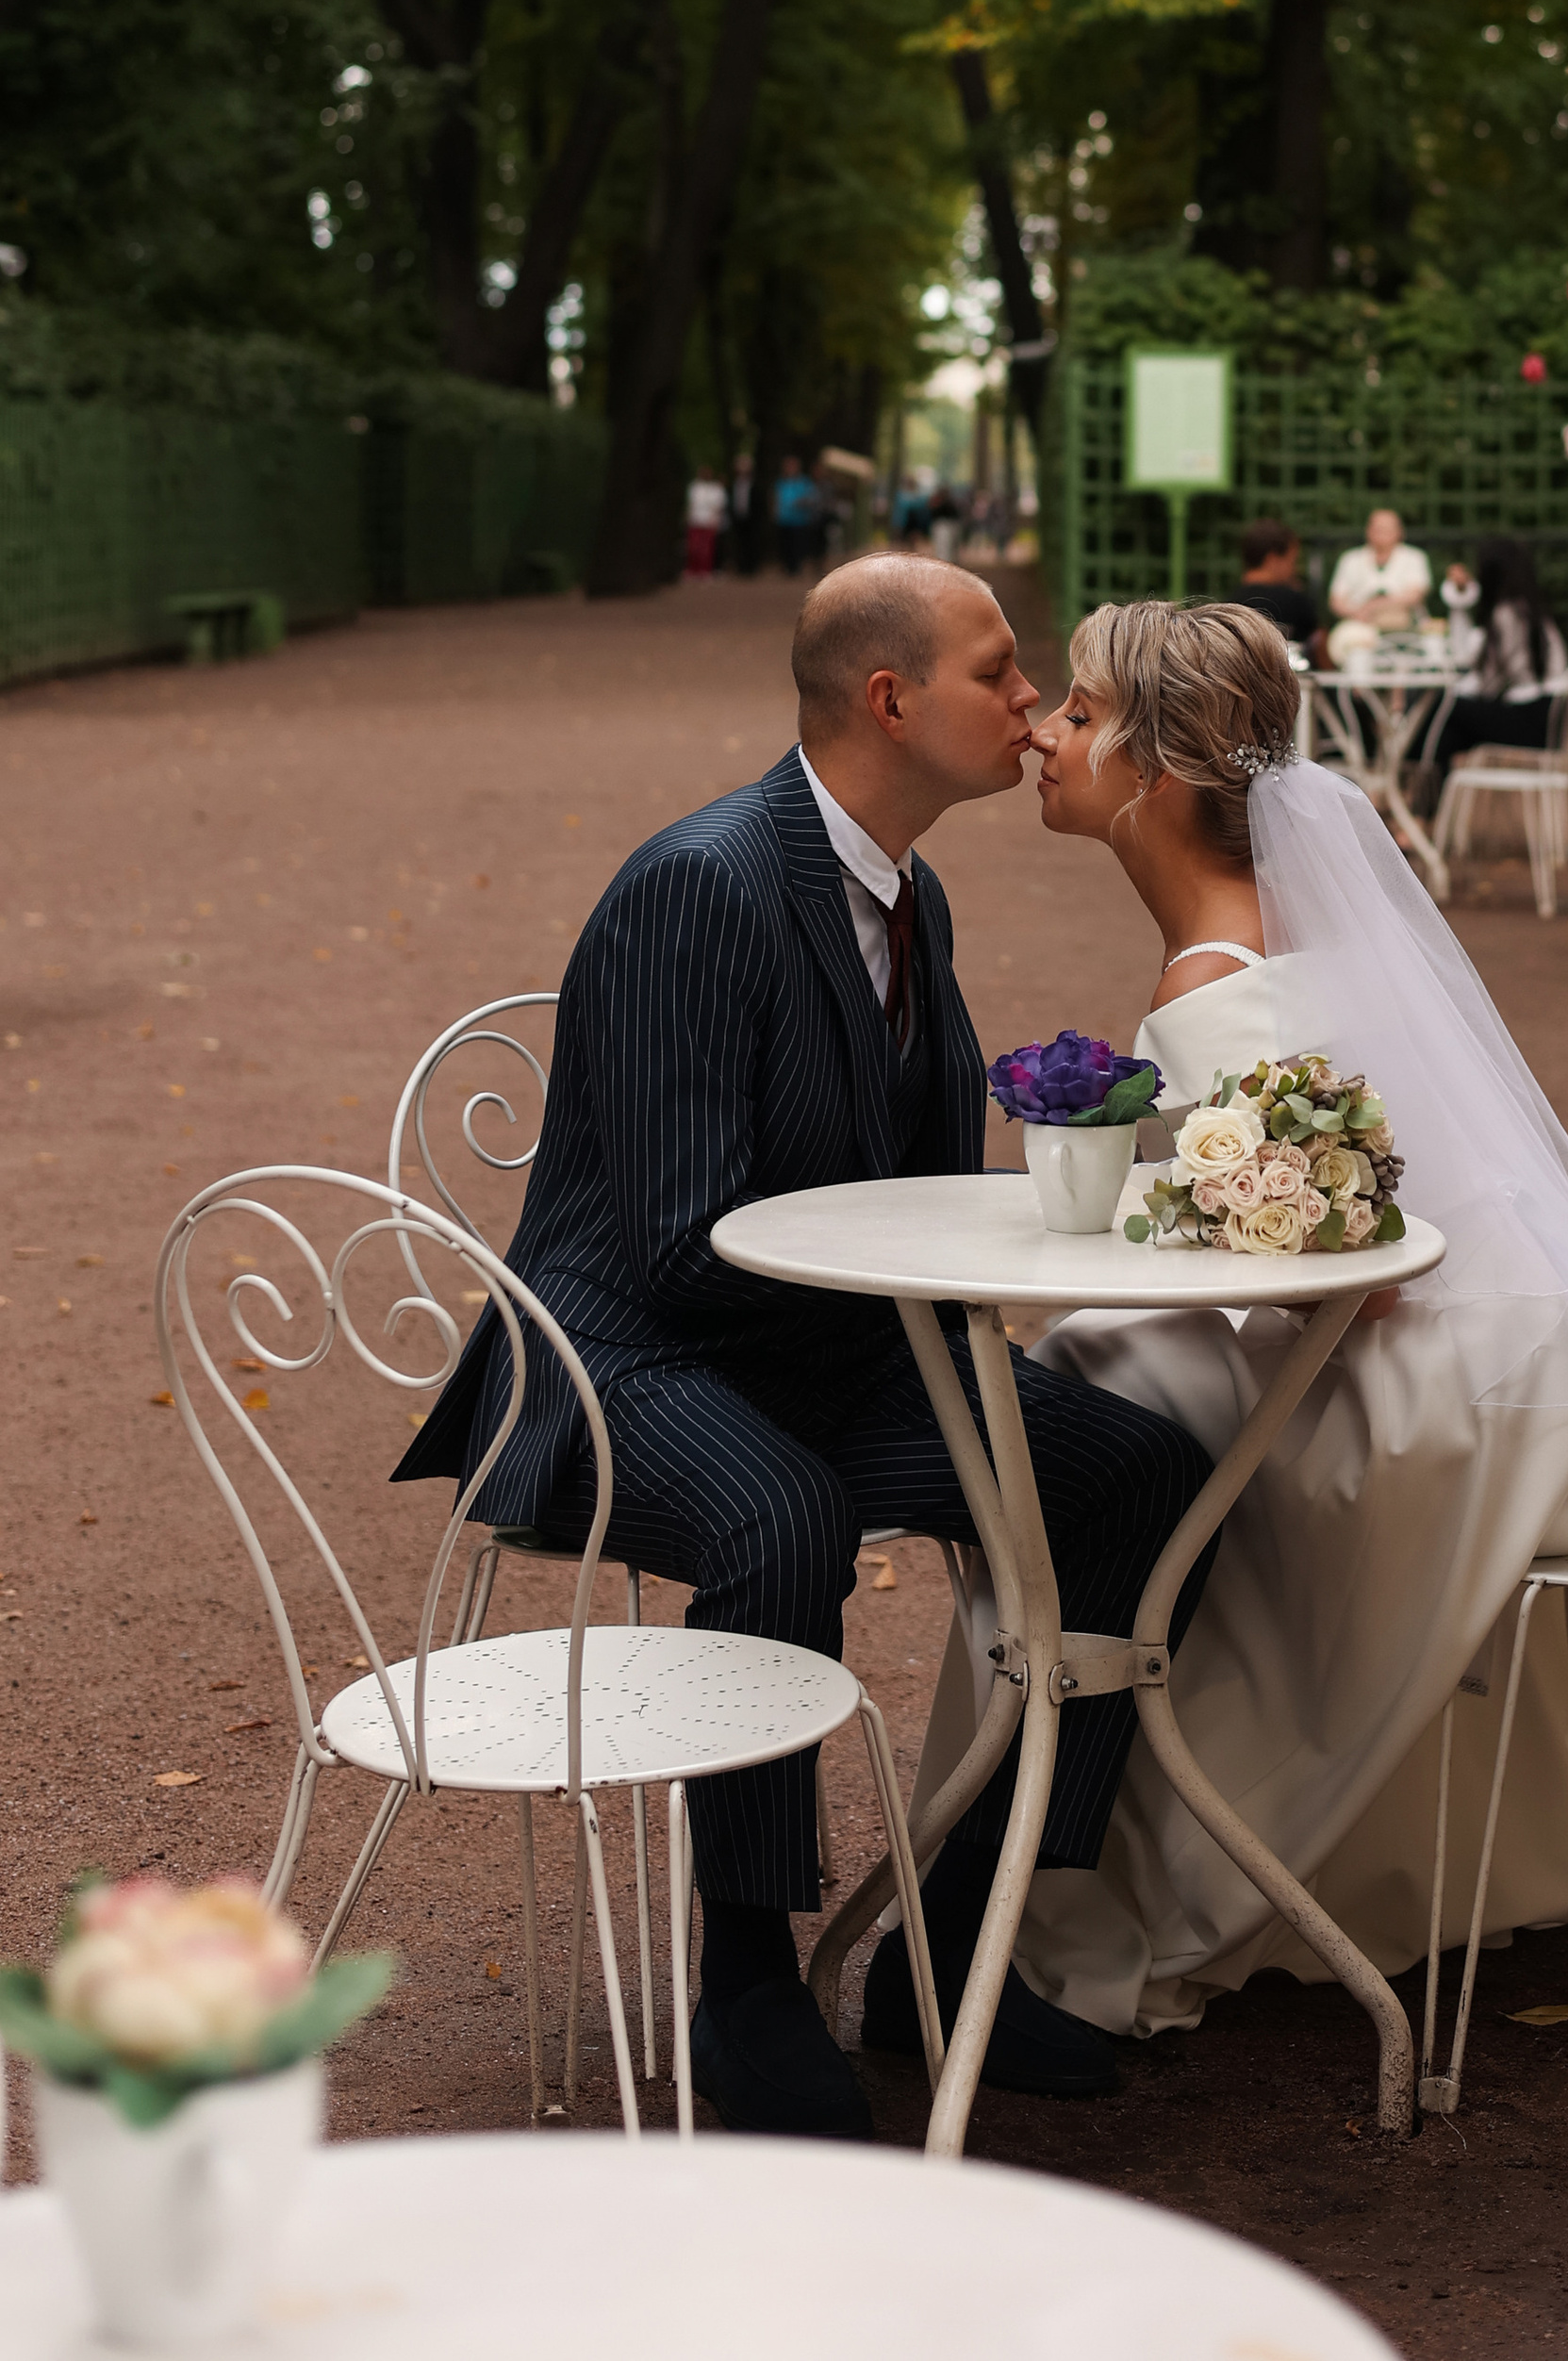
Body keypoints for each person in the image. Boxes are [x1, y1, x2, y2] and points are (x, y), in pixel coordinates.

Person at [395, 560, 1218, 2138]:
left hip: (814, 1351)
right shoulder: (697, 884)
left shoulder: (916, 892)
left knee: (1140, 1467)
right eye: (1001, 670)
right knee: (781, 1512)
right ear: (891, 700)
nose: (1033, 699)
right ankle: (750, 1974)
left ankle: (952, 1941)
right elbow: (670, 1239)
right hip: (621, 1361)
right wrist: (914, 1306)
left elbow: (911, 1177)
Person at [913, 599, 1568, 2042]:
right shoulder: (1303, 933)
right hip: (1525, 1357)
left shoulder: (1215, 984)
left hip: (1442, 1398)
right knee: (1116, 1369)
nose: (1042, 730)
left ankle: (1075, 1861)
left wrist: (1170, 1225)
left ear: (1155, 768)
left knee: (1085, 1418)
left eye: (1079, 715)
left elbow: (1356, 1265)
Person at [1425, 534, 1568, 778]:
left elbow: (1489, 686)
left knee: (1443, 707)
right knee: (1450, 730)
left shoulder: (1506, 615)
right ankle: (1429, 802)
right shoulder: (1531, 610)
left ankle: (1416, 787)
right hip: (1550, 720)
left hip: (1532, 724)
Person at [1325, 504, 1429, 643]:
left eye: (1387, 529)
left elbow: (1415, 595)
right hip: (1360, 629)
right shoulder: (1351, 559)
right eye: (1378, 528)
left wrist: (1374, 606)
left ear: (1400, 532)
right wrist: (1357, 614)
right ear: (1368, 531)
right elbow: (1336, 601)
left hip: (1406, 630)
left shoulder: (1414, 557)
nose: (1382, 533)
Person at [1231, 516, 1320, 658]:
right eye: (1293, 560)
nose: (1295, 569)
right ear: (1273, 559)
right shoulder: (1294, 601)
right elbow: (1317, 644)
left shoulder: (1231, 603)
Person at [771, 453, 819, 579]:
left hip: (799, 519)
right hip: (784, 519)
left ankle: (796, 568)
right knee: (785, 545)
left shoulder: (804, 482)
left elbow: (812, 498)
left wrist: (801, 502)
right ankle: (787, 567)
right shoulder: (781, 482)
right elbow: (775, 499)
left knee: (798, 545)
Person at [683, 469, 729, 580]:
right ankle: (693, 569)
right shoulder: (694, 487)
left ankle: (706, 570)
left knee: (707, 548)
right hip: (695, 521)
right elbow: (691, 504)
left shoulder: (716, 488)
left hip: (709, 522)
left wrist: (716, 520)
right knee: (694, 546)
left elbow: (719, 506)